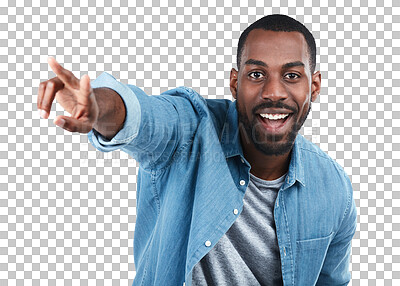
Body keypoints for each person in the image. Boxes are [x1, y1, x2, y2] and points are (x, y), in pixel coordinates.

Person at [37, 14, 357, 286]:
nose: (274, 92)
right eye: (257, 74)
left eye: (291, 76)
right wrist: (99, 108)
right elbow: (146, 117)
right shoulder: (190, 130)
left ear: (314, 86)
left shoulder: (333, 188)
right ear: (235, 83)